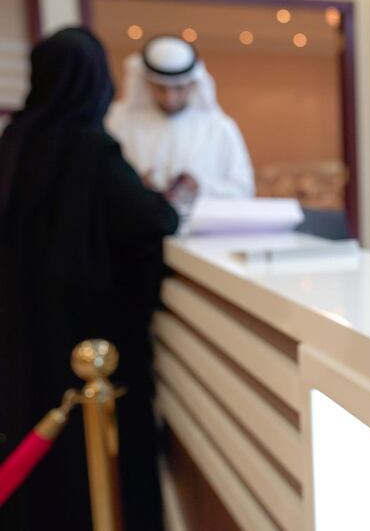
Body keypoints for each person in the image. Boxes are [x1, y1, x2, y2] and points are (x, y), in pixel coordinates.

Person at [0, 28, 180, 531]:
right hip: (89, 336)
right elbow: (152, 221)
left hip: (24, 330)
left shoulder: (14, 141)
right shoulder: (91, 148)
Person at [106, 35, 255, 199]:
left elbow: (243, 190)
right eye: (161, 88)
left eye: (179, 88)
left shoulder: (220, 128)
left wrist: (200, 186)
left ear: (193, 84)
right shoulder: (118, 123)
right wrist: (135, 186)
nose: (170, 98)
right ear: (146, 83)